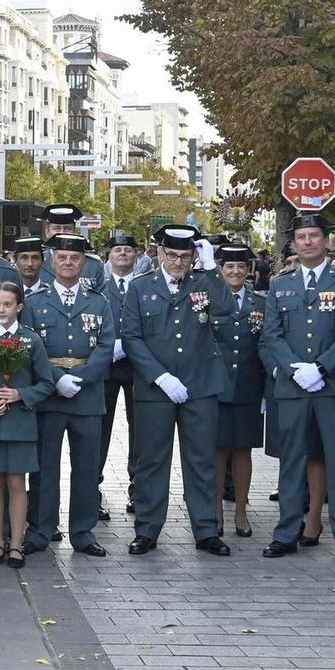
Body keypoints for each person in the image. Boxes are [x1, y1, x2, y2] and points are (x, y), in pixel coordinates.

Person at [117, 224, 231, 556]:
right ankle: (148, 529)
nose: (179, 262)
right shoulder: (141, 288)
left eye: (185, 256)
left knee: (201, 461)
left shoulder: (204, 282)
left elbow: (225, 310)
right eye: (172, 255)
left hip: (201, 384)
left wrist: (211, 268)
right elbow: (132, 337)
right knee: (151, 460)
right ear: (160, 253)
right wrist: (160, 377)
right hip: (156, 390)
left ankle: (206, 529)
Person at [259, 212, 335, 562]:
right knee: (292, 461)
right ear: (293, 243)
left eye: (314, 236)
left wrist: (321, 367)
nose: (307, 242)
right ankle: (288, 531)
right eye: (301, 236)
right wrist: (293, 368)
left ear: (325, 240)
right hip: (293, 386)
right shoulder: (280, 284)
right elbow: (271, 333)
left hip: (333, 385)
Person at [24, 233, 114, 557]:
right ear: (52, 260)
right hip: (49, 395)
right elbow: (30, 349)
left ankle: (83, 532)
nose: (68, 263)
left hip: (87, 396)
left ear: (84, 263)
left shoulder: (99, 301)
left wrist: (79, 378)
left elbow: (106, 348)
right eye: (62, 257)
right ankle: (40, 529)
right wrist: (57, 378)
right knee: (44, 467)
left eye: (74, 258)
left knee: (87, 468)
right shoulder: (35, 302)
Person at [0, 283, 55, 568]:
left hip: (20, 423)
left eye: (8, 304)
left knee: (17, 483)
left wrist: (21, 394)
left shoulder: (31, 340)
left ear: (19, 306)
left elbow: (46, 382)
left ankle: (16, 544)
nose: (2, 309)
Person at [211, 244, 266, 540]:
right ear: (221, 270)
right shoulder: (210, 300)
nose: (235, 272)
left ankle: (241, 511)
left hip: (248, 385)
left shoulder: (261, 302)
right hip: (217, 386)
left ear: (249, 271)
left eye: (241, 267)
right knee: (217, 450)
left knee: (243, 450)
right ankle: (216, 510)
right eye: (229, 267)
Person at [97, 230, 143, 519]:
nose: (123, 254)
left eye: (128, 250)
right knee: (98, 431)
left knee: (141, 431)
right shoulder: (98, 288)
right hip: (105, 367)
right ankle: (93, 490)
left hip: (138, 367)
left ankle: (138, 489)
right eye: (117, 250)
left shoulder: (144, 286)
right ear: (109, 256)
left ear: (137, 255)